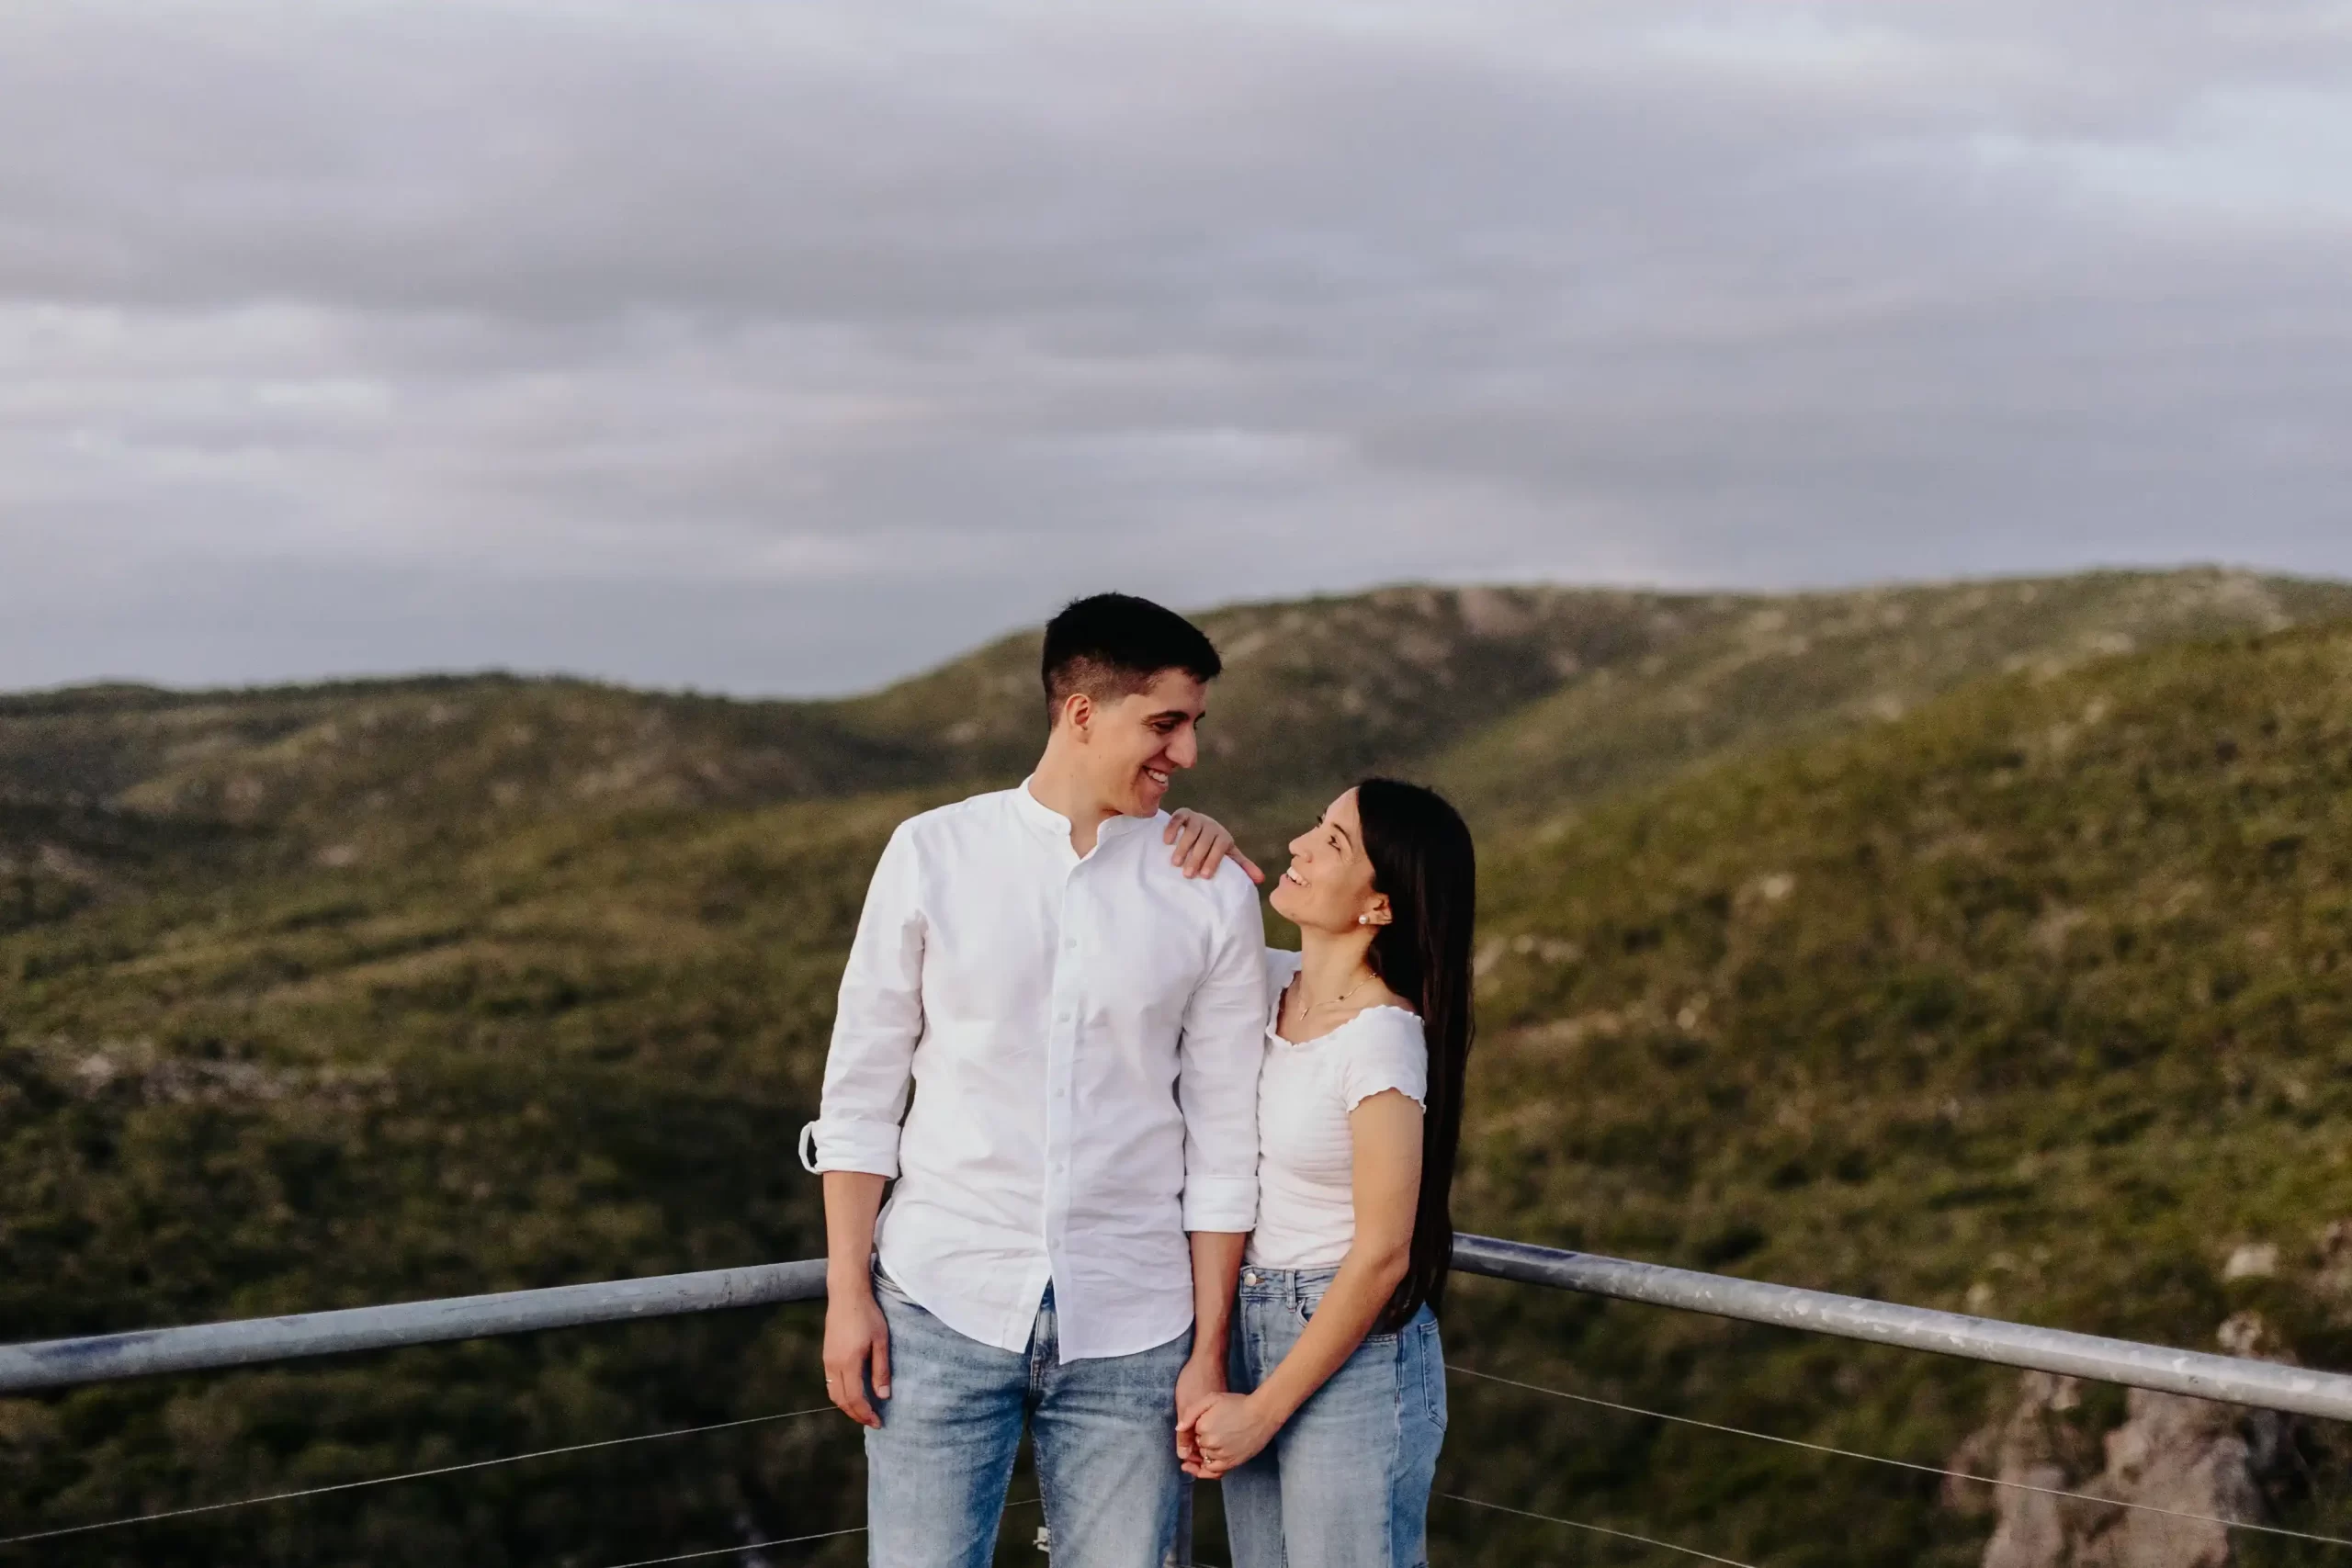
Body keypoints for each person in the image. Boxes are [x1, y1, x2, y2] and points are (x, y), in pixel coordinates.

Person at [798, 592, 1270, 1568]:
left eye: (1193, 727)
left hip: (1137, 1330)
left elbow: (1227, 1141)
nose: (1186, 755)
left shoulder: (1212, 889)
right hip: (935, 1306)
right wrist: (849, 1293)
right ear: (1082, 713)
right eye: (1166, 723)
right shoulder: (931, 853)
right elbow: (860, 1096)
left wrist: (1206, 1351)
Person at [1179, 779, 1476, 1568]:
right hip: (1251, 1322)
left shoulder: (1380, 1040)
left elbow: (1384, 1251)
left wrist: (1263, 1411)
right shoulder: (1271, 983)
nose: (1299, 845)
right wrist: (1195, 828)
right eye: (1316, 824)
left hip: (1351, 1348)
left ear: (1379, 905)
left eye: (1333, 842)